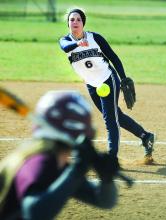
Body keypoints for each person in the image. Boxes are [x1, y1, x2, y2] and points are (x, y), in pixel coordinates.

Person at [0, 90, 131, 220]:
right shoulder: (39, 161)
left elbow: (104, 201)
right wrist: (76, 171)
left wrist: (106, 179)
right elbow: (33, 213)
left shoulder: (55, 163)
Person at [59, 8, 155, 165]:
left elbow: (113, 57)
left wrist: (123, 79)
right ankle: (146, 136)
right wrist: (78, 43)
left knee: (110, 119)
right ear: (68, 23)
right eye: (72, 19)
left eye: (78, 19)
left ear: (83, 23)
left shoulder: (94, 38)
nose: (75, 22)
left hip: (108, 79)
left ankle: (112, 157)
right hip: (92, 84)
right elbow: (65, 47)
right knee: (115, 114)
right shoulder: (65, 40)